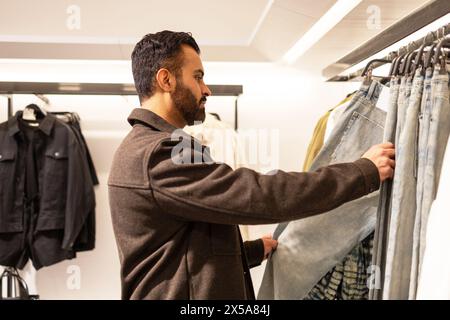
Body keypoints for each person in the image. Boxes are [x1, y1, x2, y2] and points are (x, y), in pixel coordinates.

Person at [108, 31, 395, 300]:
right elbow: (258, 194)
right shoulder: (158, 154)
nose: (206, 89)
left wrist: (252, 251)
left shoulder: (150, 147)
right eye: (197, 77)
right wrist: (362, 172)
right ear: (166, 80)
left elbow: (180, 253)